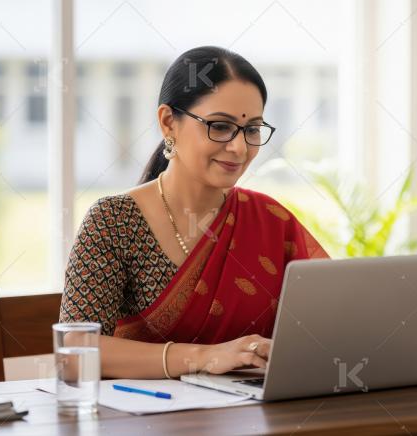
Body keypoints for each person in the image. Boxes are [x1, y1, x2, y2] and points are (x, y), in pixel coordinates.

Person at [59, 46, 328, 379]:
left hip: (253, 416)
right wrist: (204, 357)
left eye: (253, 130)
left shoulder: (271, 222)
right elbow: (74, 353)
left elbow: (333, 327)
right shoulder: (115, 221)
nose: (239, 148)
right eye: (220, 126)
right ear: (169, 122)